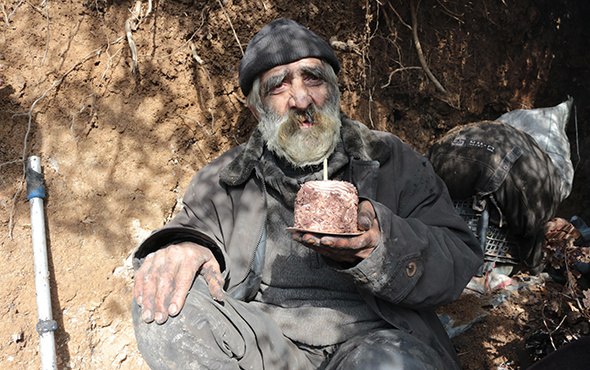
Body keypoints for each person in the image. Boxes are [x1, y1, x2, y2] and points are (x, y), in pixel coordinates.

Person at [131, 18, 483, 369]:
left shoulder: (390, 160)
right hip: (265, 346)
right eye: (278, 86)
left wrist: (381, 245)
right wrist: (189, 247)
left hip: (376, 339)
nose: (301, 99)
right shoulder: (227, 177)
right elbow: (196, 230)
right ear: (256, 109)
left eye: (312, 78)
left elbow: (459, 259)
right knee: (161, 305)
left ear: (334, 90)